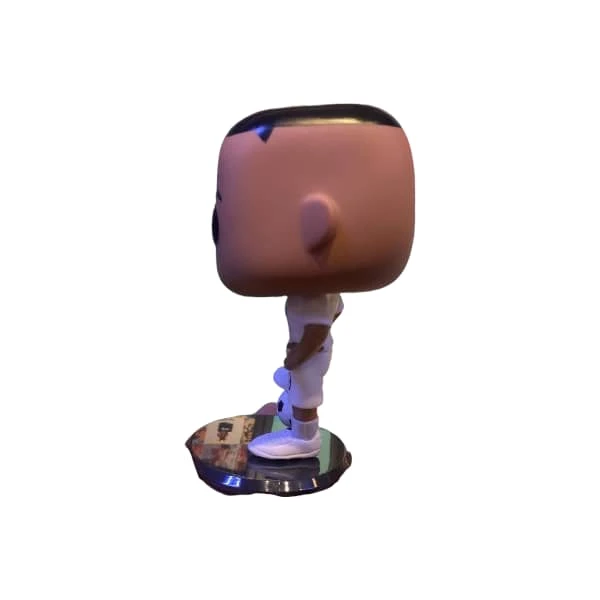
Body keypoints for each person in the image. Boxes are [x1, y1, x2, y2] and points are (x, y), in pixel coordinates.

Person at [213, 103, 415, 459]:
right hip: (312, 348)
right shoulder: (324, 291)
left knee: (305, 390)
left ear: (315, 226)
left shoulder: (312, 297)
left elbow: (317, 328)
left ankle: (303, 438)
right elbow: (335, 311)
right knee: (293, 383)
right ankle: (287, 413)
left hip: (309, 353)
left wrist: (298, 355)